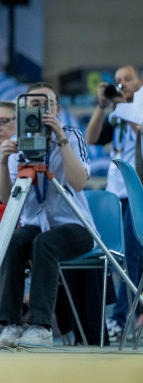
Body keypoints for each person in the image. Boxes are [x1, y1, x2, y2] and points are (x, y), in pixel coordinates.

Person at [0, 83, 96, 348]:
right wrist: (4, 162)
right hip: (35, 225)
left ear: (57, 110)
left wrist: (60, 138)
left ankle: (41, 326)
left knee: (45, 242)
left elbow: (79, 183)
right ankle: (10, 323)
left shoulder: (71, 135)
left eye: (45, 104)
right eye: (33, 105)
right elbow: (6, 198)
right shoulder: (19, 142)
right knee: (13, 241)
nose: (39, 111)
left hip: (75, 227)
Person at [86, 65, 143, 340]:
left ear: (140, 82)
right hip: (114, 194)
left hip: (137, 193)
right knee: (114, 258)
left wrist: (130, 112)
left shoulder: (138, 109)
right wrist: (101, 106)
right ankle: (120, 316)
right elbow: (91, 138)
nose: (121, 85)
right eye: (118, 81)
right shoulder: (115, 115)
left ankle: (120, 319)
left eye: (127, 80)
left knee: (132, 259)